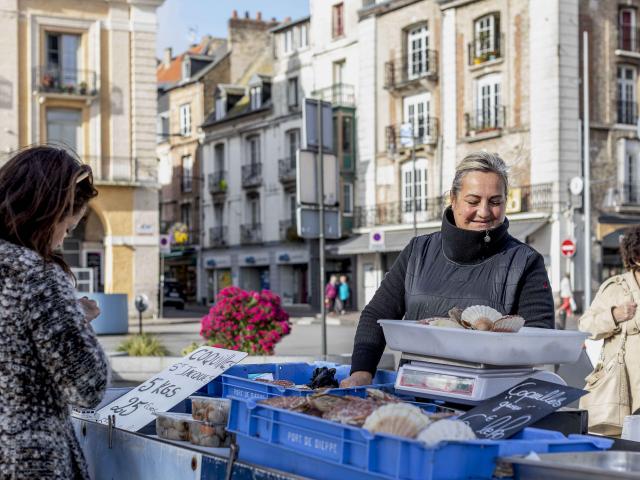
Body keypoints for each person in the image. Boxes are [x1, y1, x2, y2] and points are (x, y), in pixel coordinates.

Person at [341, 152, 555, 387]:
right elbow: (377, 314)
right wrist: (362, 370)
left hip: (489, 400)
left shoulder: (526, 261)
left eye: (495, 202)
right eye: (473, 201)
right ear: (453, 199)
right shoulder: (417, 250)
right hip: (416, 391)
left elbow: (539, 339)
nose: (484, 212)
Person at [0, 146, 109, 479]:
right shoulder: (36, 274)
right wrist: (75, 320)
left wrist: (65, 314)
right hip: (28, 461)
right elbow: (87, 386)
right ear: (48, 212)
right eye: (68, 226)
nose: (63, 238)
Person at [578, 227, 640, 435]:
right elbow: (586, 326)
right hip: (627, 392)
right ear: (637, 258)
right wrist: (615, 315)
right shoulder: (616, 288)